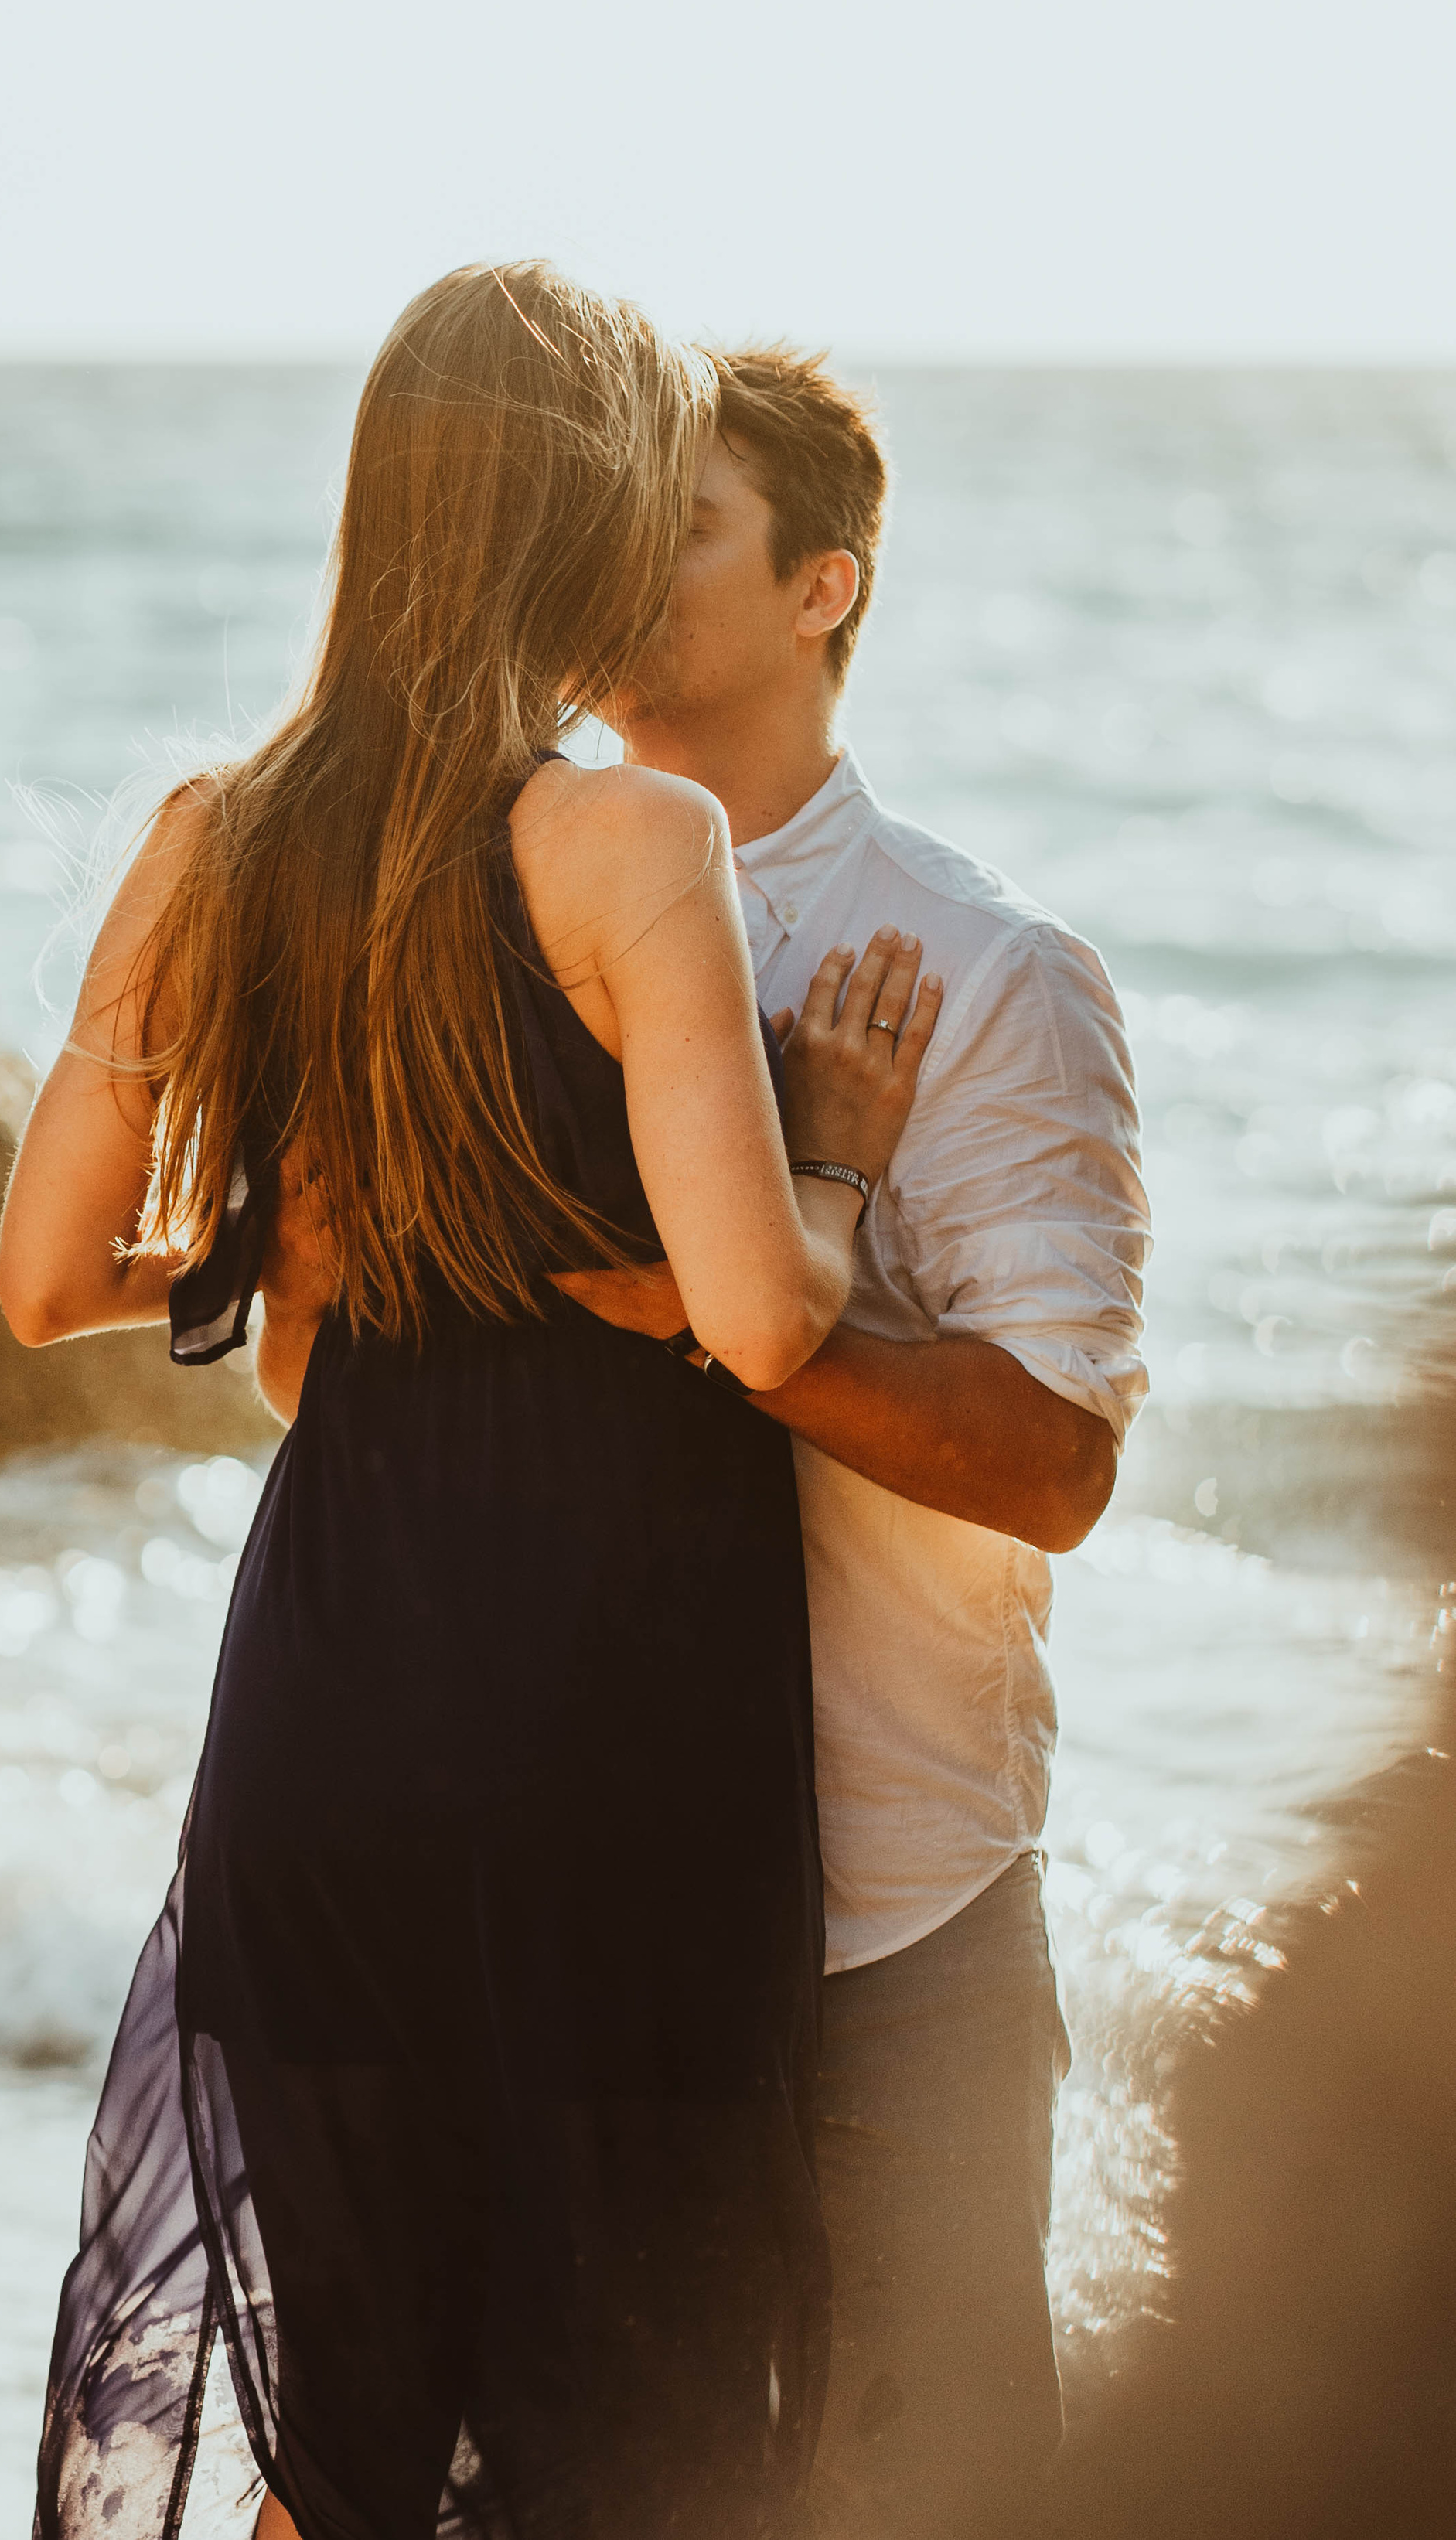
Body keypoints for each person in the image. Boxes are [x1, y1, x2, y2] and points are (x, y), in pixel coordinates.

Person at [0, 264, 939, 2540]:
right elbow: (771, 1318)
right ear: (586, 522)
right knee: (612, 2427)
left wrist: (267, 1258)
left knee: (348, 2427)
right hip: (605, 1727)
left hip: (329, 1705)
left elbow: (43, 1281)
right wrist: (832, 1154)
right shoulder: (632, 847)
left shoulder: (217, 836)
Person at [545, 349, 1151, 2538]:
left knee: (931, 2491)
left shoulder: (981, 973)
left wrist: (760, 1313)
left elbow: (1057, 1466)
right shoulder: (491, 912)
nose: (611, 561)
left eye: (675, 521)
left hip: (881, 1909)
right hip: (538, 1879)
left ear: (826, 588)